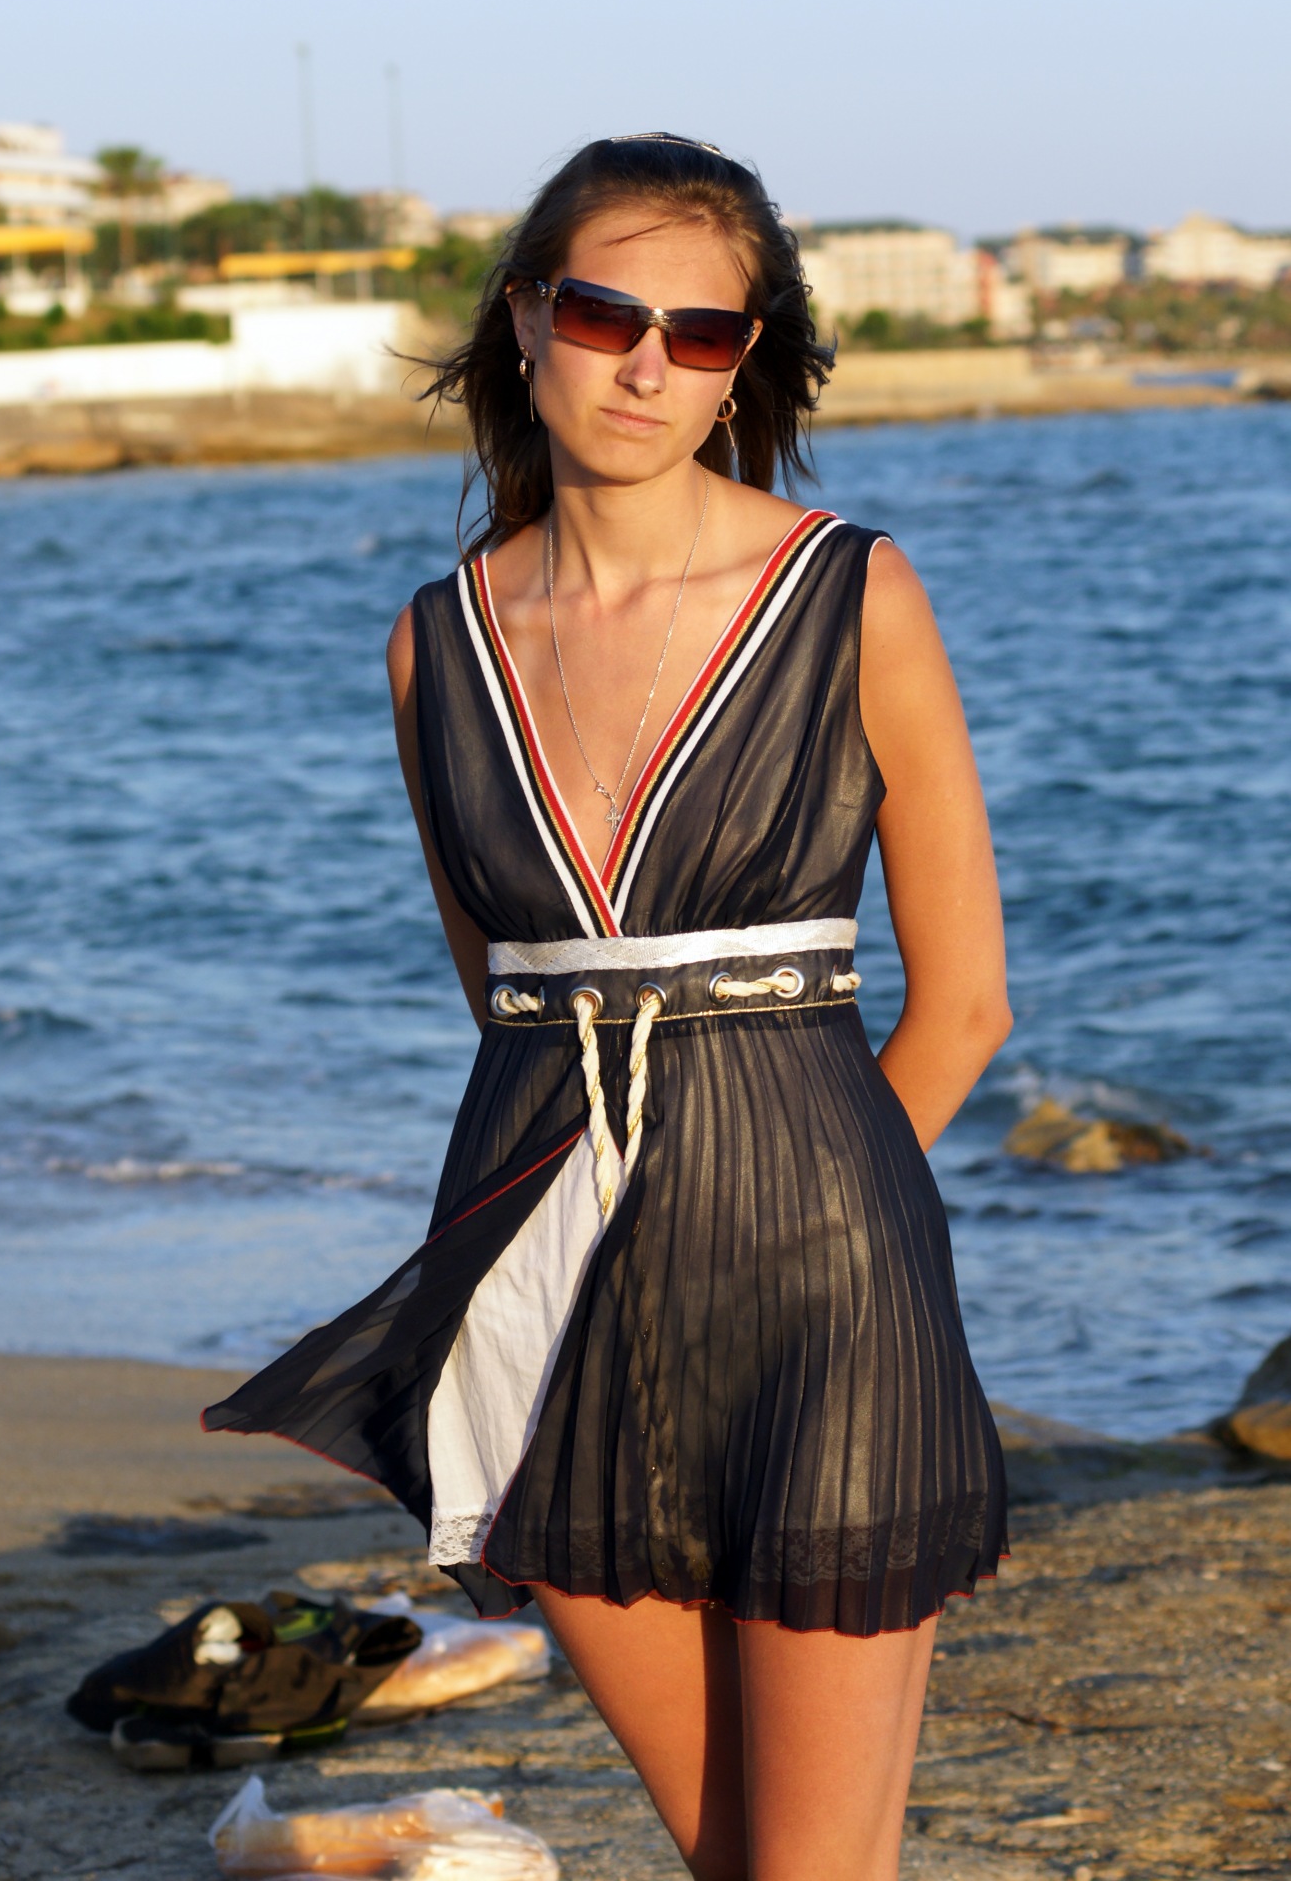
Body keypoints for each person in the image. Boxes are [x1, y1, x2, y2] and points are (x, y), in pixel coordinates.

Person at [205, 133, 1012, 1881]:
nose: (647, 365)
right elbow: (502, 1004)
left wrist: (825, 1224)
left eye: (699, 334)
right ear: (524, 319)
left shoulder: (849, 593)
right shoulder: (436, 647)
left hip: (819, 1294)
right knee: (728, 1857)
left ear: (740, 368)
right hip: (548, 1302)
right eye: (603, 314)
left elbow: (963, 1008)